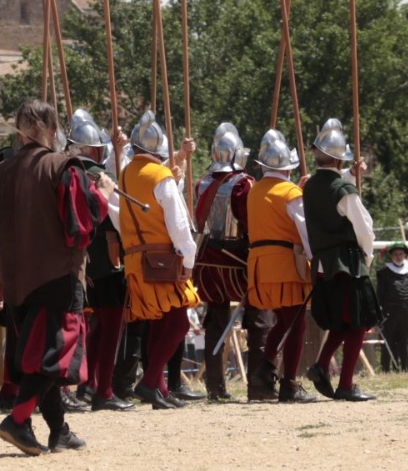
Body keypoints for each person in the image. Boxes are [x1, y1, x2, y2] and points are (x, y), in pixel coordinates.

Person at [0, 99, 107, 455]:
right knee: (54, 356)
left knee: (35, 357)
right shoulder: (63, 167)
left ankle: (58, 430)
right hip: (56, 275)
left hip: (15, 281)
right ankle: (17, 420)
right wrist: (102, 196)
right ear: (51, 130)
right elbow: (82, 225)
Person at [118, 110, 200, 410]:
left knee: (158, 322)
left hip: (134, 261)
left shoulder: (125, 172)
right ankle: (151, 381)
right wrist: (188, 259)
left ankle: (160, 388)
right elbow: (178, 223)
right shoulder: (160, 175)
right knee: (178, 323)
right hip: (162, 261)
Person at [193, 122, 271, 402]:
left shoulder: (201, 182)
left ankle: (216, 388)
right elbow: (251, 224)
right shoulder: (244, 184)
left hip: (207, 265)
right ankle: (259, 388)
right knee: (260, 318)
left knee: (215, 322)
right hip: (236, 262)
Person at [301, 120, 378, 402]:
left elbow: (327, 186)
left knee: (341, 323)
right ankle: (345, 384)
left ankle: (322, 366)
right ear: (338, 157)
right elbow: (364, 229)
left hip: (322, 266)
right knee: (357, 324)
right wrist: (366, 259)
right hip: (347, 265)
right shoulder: (344, 190)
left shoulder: (309, 186)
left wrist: (349, 174)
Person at [66, 111, 133, 412]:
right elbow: (121, 219)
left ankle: (88, 385)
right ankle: (103, 389)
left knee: (94, 327)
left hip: (79, 260)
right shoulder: (99, 177)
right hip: (107, 262)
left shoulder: (66, 173)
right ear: (94, 149)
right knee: (111, 327)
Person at [247, 129, 317, 404]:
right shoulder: (291, 192)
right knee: (296, 324)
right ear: (288, 167)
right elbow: (306, 232)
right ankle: (289, 384)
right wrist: (316, 261)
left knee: (284, 320)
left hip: (260, 267)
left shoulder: (255, 190)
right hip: (286, 265)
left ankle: (263, 372)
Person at [375, 241, 408, 373]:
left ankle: (405, 368)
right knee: (389, 342)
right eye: (395, 254)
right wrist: (379, 312)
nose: (398, 256)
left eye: (401, 254)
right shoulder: (384, 273)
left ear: (405, 255)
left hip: (405, 313)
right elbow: (379, 295)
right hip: (389, 313)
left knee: (404, 342)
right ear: (391, 256)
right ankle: (386, 369)